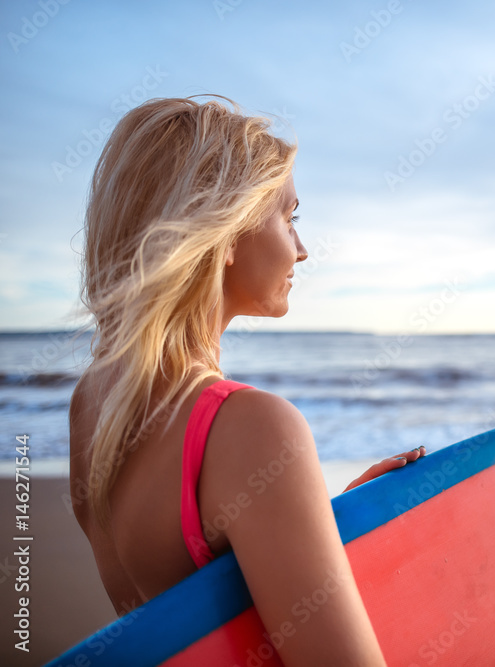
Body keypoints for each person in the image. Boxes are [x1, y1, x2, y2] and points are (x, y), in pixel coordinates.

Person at [68, 95, 422, 666]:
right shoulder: (251, 428)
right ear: (226, 233)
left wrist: (311, 526)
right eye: (290, 218)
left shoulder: (94, 403)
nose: (301, 250)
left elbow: (187, 609)